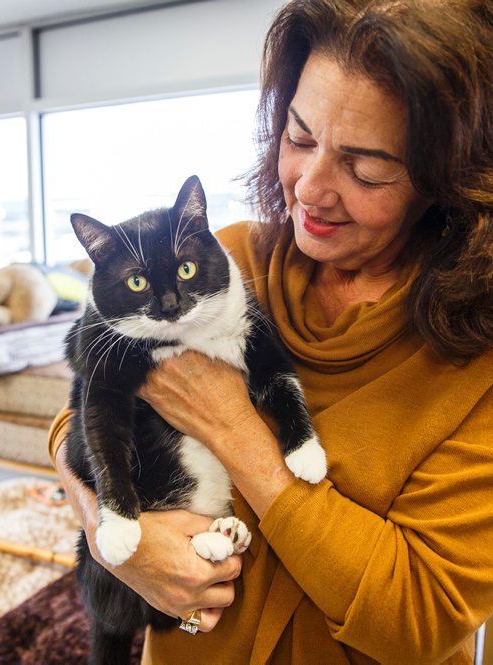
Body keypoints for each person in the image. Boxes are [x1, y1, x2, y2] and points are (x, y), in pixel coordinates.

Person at [48, 0, 493, 663]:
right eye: (299, 137)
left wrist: (236, 429)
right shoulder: (223, 259)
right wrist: (116, 536)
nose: (309, 189)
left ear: (447, 179)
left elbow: (419, 618)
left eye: (365, 168)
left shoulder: (473, 357)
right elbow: (76, 410)